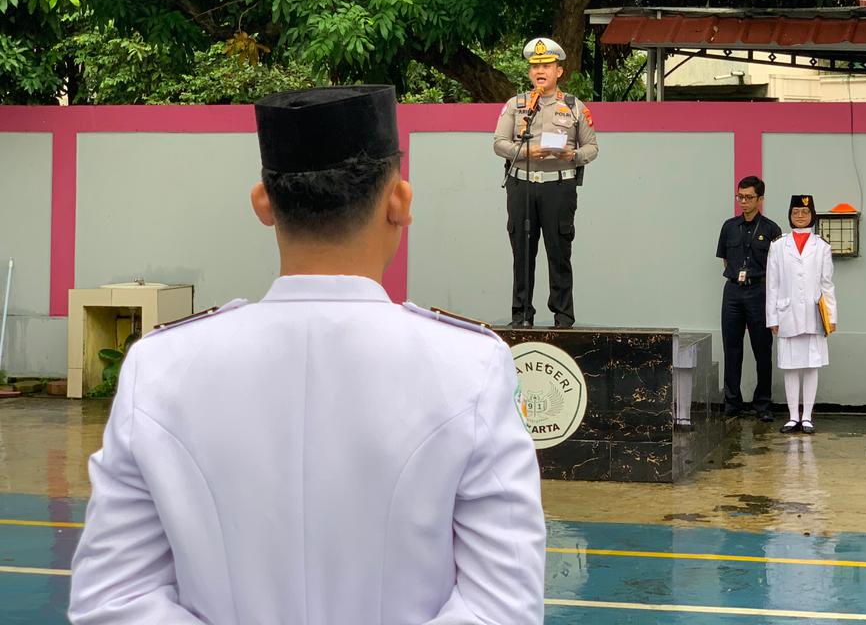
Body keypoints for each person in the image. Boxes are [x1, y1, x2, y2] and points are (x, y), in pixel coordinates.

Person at [69, 86, 547, 625]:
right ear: (399, 201)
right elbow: (501, 608)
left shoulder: (159, 369)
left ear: (264, 204)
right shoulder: (470, 368)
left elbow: (113, 601)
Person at [494, 37, 598, 328]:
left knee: (559, 252)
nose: (541, 70)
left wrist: (571, 154)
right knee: (522, 254)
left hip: (558, 186)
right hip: (522, 186)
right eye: (535, 66)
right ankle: (521, 316)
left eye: (547, 65)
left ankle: (563, 319)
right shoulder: (516, 105)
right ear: (529, 72)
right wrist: (526, 151)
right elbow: (499, 143)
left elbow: (592, 148)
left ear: (559, 71)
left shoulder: (574, 107)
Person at [766, 194, 837, 435]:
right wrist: (772, 317)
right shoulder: (778, 245)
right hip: (786, 312)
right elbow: (772, 284)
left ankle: (807, 416)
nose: (800, 216)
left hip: (814, 313)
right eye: (796, 212)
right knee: (790, 366)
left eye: (804, 212)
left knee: (810, 366)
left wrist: (832, 315)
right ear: (790, 214)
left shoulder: (822, 246)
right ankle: (792, 416)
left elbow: (827, 284)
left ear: (812, 215)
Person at [715, 175, 782, 421]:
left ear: (760, 199)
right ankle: (732, 403)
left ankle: (762, 404)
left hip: (759, 290)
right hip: (733, 291)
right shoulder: (729, 226)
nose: (743, 202)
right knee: (731, 348)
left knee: (762, 349)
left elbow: (777, 267)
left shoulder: (771, 229)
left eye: (749, 197)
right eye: (740, 197)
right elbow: (725, 258)